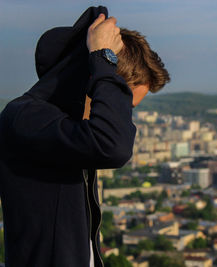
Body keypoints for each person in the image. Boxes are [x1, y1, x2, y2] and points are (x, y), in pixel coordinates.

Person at [0, 6, 169, 267]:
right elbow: (113, 146)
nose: (123, 116)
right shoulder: (26, 117)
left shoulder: (70, 130)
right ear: (96, 82)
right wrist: (104, 57)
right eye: (122, 105)